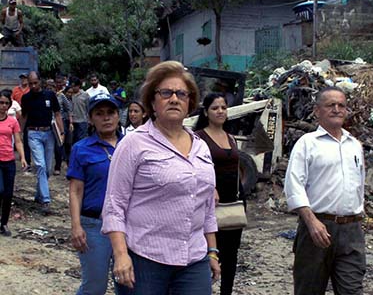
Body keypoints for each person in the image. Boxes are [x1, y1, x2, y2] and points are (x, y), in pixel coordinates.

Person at [101, 60, 220, 294]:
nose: (174, 99)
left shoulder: (201, 147)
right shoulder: (134, 144)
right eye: (166, 93)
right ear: (152, 102)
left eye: (181, 94)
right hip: (146, 261)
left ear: (190, 103)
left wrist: (212, 252)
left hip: (193, 261)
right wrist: (121, 255)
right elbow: (114, 205)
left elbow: (206, 207)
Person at [284, 86, 366, 295]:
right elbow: (294, 184)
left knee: (352, 289)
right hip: (317, 229)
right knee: (308, 289)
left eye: (341, 105)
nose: (337, 109)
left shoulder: (354, 145)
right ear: (317, 111)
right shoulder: (307, 144)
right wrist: (311, 222)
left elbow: (359, 186)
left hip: (351, 232)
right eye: (330, 105)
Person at [68, 93, 123, 294]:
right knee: (94, 285)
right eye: (99, 114)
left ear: (118, 116)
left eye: (110, 112)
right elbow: (75, 190)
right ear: (91, 119)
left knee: (128, 283)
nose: (106, 118)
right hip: (94, 225)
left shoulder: (131, 145)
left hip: (129, 226)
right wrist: (76, 226)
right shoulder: (81, 149)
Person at [194, 92, 245, 295]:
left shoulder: (231, 138)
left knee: (231, 254)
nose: (220, 111)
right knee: (209, 251)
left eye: (224, 107)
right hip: (209, 202)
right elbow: (194, 167)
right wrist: (210, 187)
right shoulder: (197, 137)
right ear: (206, 112)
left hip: (233, 203)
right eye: (215, 108)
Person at [21, 71, 64, 215]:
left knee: (47, 169)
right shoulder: (26, 98)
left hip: (49, 133)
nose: (33, 86)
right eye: (30, 83)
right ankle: (46, 200)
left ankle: (39, 195)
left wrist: (61, 132)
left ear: (40, 81)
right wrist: (20, 134)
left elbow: (57, 113)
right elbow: (24, 116)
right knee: (40, 165)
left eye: (35, 82)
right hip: (33, 134)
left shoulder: (50, 95)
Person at [0, 90, 27, 236]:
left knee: (8, 194)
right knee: (1, 190)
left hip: (9, 160)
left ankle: (3, 223)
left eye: (6, 103)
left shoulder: (12, 121)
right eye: (1, 103)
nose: (3, 106)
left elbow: (18, 141)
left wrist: (22, 157)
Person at [51, 79, 73, 175]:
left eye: (52, 86)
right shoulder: (45, 96)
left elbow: (68, 109)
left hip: (60, 122)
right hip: (48, 123)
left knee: (58, 144)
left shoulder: (61, 96)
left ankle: (58, 167)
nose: (50, 88)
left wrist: (70, 122)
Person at [13, 73, 31, 171]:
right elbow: (11, 102)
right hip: (17, 118)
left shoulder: (30, 90)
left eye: (25, 78)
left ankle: (27, 162)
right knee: (16, 139)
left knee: (26, 140)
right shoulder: (16, 90)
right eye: (22, 78)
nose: (23, 80)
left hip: (28, 118)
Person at [71, 76, 90, 144]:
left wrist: (89, 120)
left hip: (82, 121)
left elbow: (88, 108)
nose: (73, 88)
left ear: (78, 86)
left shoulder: (85, 95)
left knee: (82, 140)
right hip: (72, 122)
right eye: (72, 86)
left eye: (75, 86)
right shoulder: (70, 94)